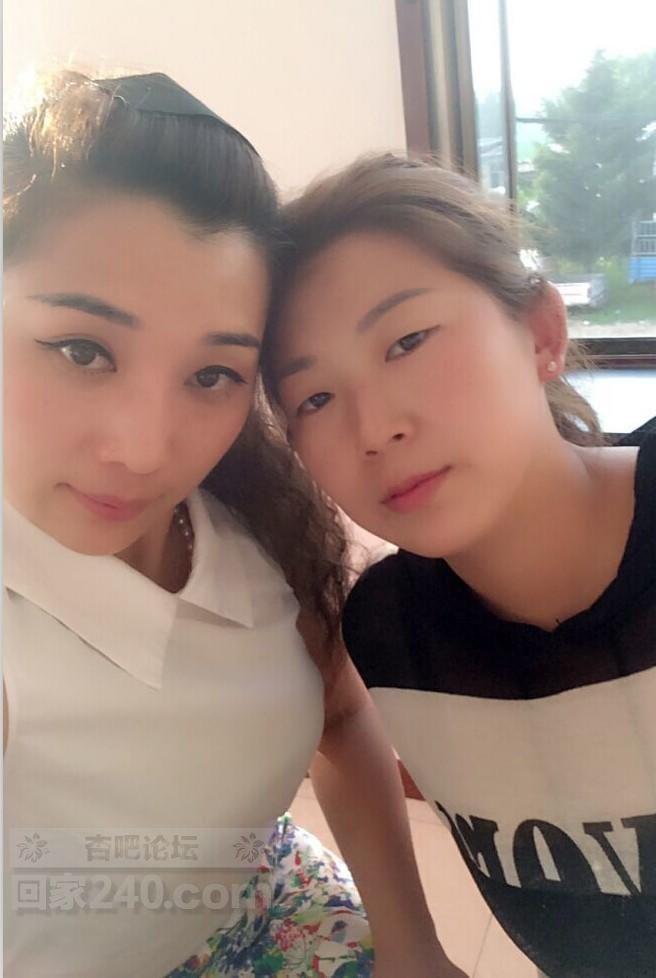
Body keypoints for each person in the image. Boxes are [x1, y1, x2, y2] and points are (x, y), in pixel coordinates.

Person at [3, 77, 466, 978]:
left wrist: (414, 945)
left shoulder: (257, 521)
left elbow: (340, 717)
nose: (144, 449)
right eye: (83, 350)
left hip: (268, 899)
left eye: (212, 374)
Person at [262, 153, 656, 978]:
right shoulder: (392, 632)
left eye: (407, 341)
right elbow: (339, 732)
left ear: (541, 333)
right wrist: (409, 944)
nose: (375, 427)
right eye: (315, 398)